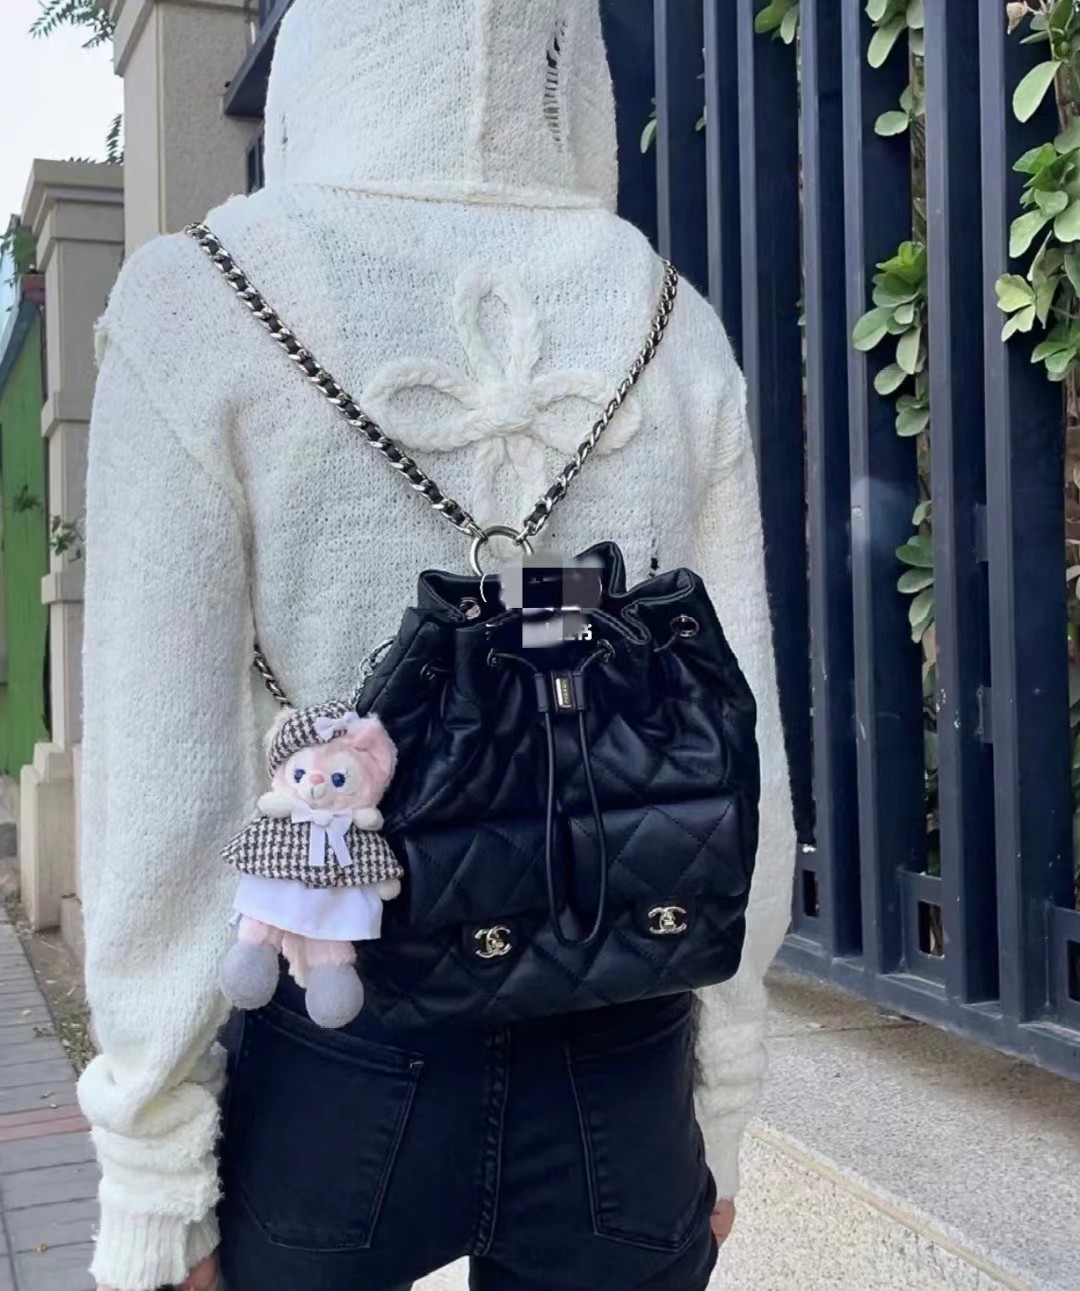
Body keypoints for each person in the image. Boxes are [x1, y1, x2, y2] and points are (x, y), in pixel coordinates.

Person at [80, 2, 795, 1289]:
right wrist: (725, 1094)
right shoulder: (667, 314)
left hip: (336, 1035)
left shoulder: (201, 298)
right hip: (626, 1047)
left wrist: (153, 1168)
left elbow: (163, 773)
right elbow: (744, 755)